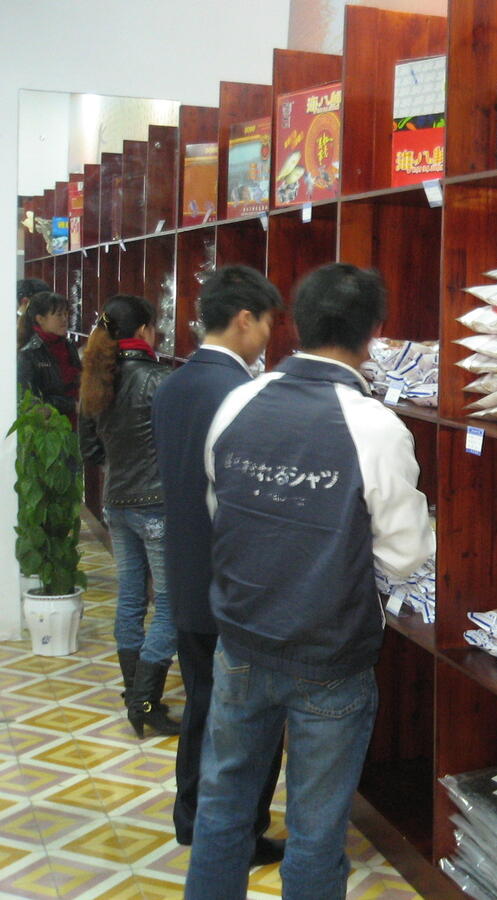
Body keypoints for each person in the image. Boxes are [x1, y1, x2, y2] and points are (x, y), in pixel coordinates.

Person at [185, 264, 434, 899]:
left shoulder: (239, 401)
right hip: (330, 654)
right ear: (374, 333)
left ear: (293, 323)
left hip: (241, 640)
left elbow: (221, 508)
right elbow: (405, 557)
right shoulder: (377, 427)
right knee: (316, 833)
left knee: (222, 809)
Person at [151, 266, 286, 866]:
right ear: (244, 319)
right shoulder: (241, 394)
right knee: (243, 719)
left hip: (185, 571)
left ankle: (192, 818)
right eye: (268, 324)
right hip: (233, 582)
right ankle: (236, 832)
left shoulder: (174, 384)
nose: (269, 337)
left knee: (203, 705)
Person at [79, 294, 181, 738]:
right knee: (172, 606)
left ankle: (134, 693)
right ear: (144, 331)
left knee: (132, 599)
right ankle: (144, 700)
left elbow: (90, 449)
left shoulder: (97, 378)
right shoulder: (160, 379)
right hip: (156, 505)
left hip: (115, 502)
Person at [17, 291, 81, 424]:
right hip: (51, 427)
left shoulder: (69, 346)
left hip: (78, 422)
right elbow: (29, 402)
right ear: (40, 319)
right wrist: (70, 405)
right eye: (59, 315)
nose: (64, 319)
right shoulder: (29, 354)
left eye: (66, 314)